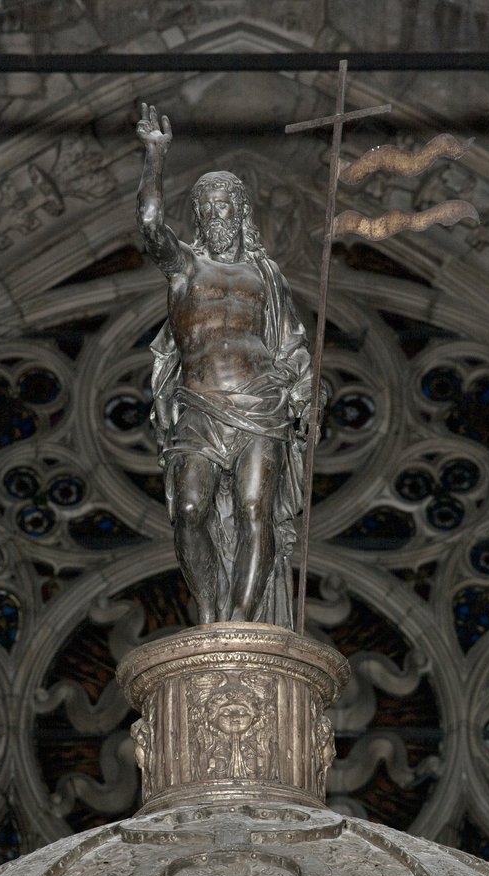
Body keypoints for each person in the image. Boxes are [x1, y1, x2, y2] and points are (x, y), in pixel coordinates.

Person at [135, 103, 314, 626]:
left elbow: (291, 344)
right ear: (198, 217)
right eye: (208, 210)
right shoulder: (185, 267)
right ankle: (211, 612)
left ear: (241, 213)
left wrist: (305, 389)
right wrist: (155, 155)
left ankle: (238, 620)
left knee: (256, 509)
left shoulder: (266, 275)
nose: (217, 218)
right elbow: (150, 223)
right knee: (190, 511)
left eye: (225, 208)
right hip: (200, 405)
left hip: (263, 404)